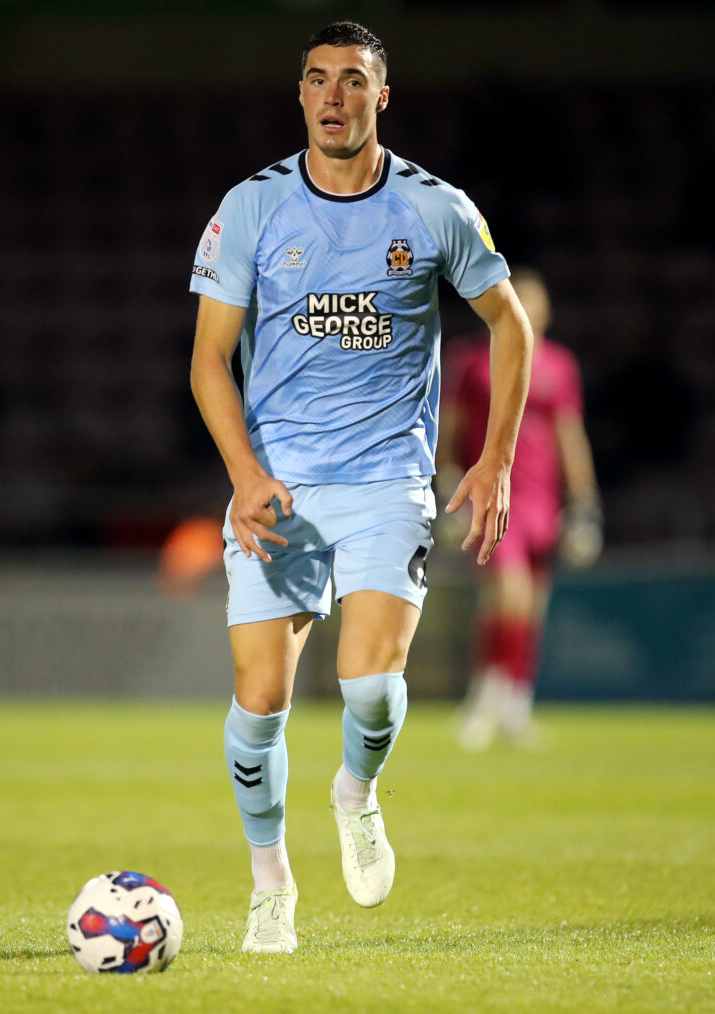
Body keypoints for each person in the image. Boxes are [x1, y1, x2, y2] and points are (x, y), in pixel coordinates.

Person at [189, 22, 533, 953]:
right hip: (281, 490)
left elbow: (510, 328)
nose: (332, 97)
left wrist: (495, 459)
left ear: (382, 98)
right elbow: (209, 361)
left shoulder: (434, 210)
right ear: (299, 95)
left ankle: (356, 792)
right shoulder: (253, 209)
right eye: (316, 81)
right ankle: (271, 886)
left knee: (373, 691)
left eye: (352, 81)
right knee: (260, 701)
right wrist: (246, 475)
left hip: (388, 480)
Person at [438, 267, 601, 750]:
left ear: (547, 311)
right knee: (507, 596)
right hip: (493, 496)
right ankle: (486, 699)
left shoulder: (559, 365)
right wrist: (446, 481)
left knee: (529, 606)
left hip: (541, 499)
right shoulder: (472, 360)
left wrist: (585, 503)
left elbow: (569, 436)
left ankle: (513, 705)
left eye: (534, 299)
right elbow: (451, 426)